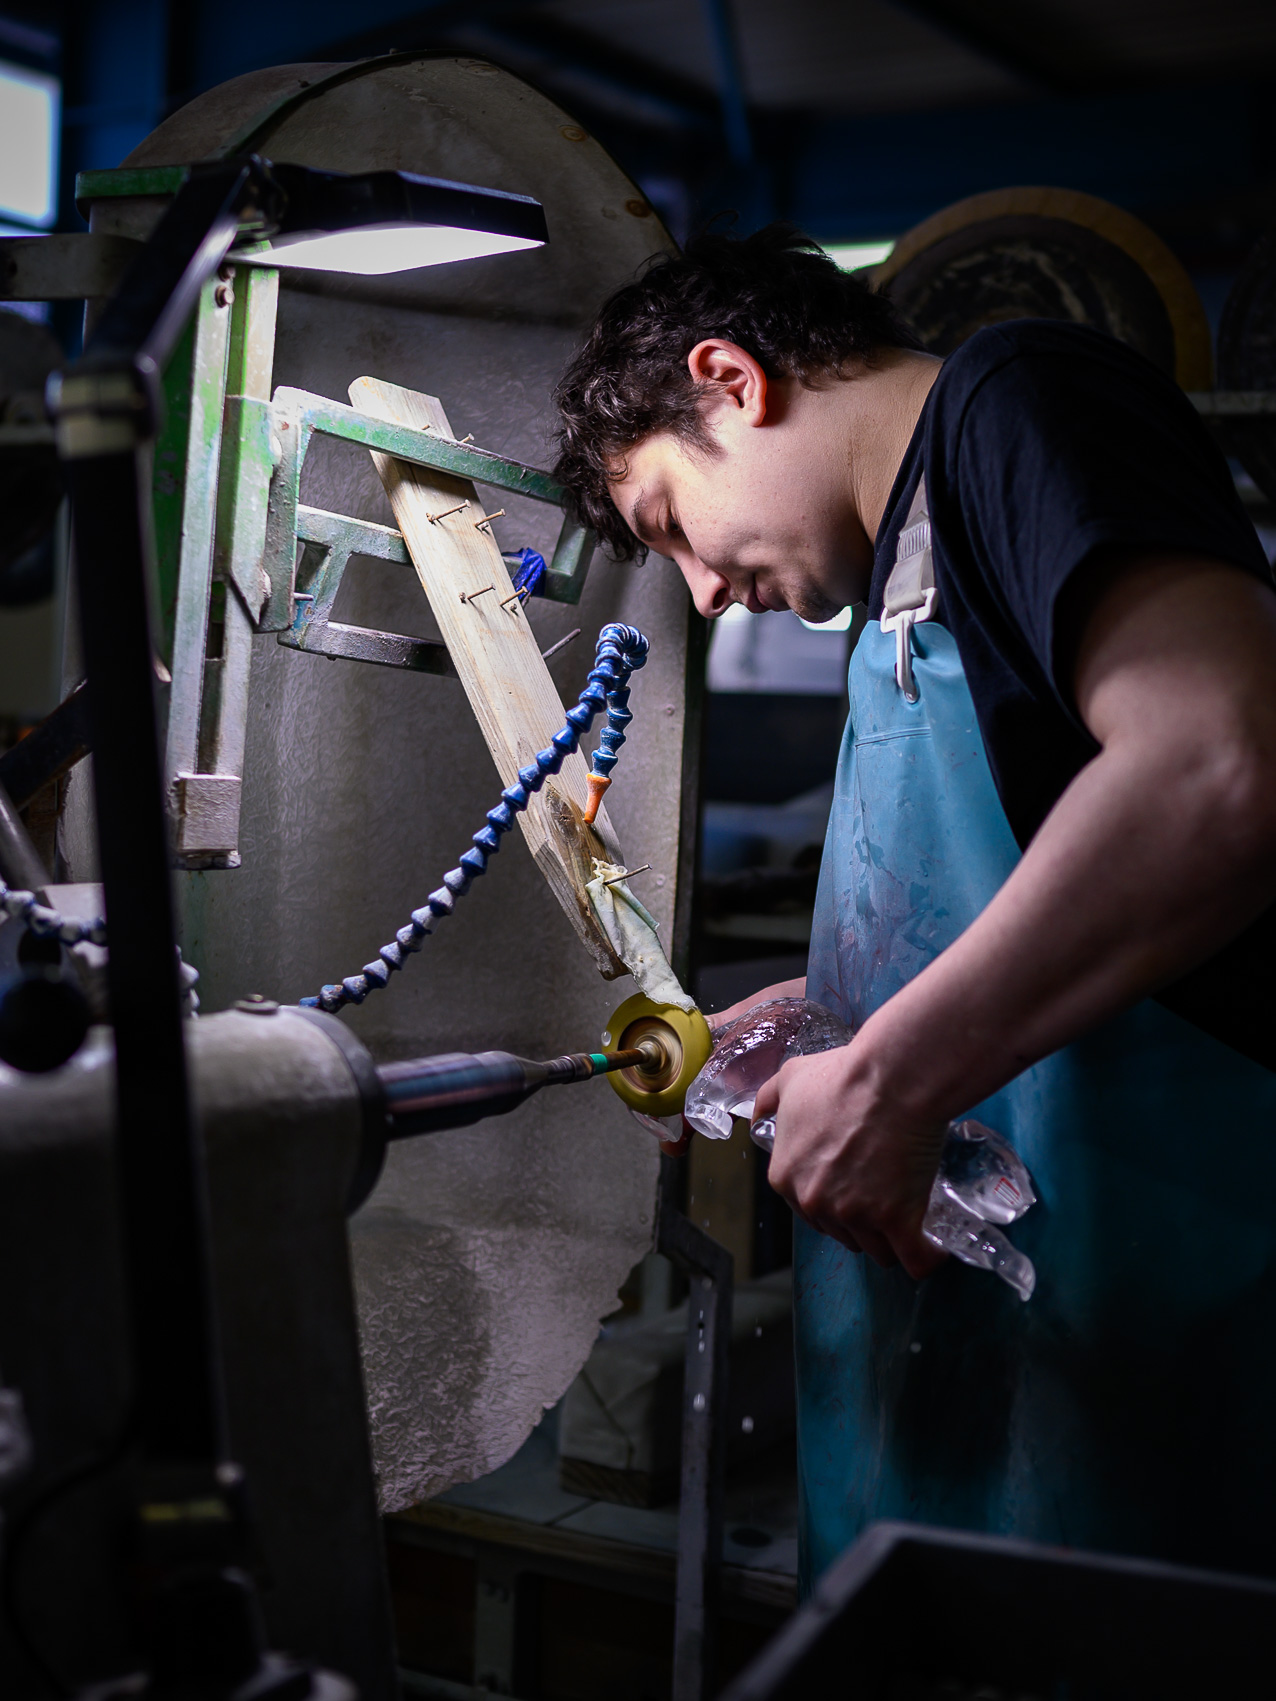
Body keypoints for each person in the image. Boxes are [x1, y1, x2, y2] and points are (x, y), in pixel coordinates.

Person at [553, 223, 1276, 1585]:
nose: (702, 595)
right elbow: (1042, 875)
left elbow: (1219, 762)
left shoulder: (1021, 398)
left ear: (730, 380)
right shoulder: (899, 588)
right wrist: (846, 1006)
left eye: (670, 525)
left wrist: (888, 1074)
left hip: (1165, 1306)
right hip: (1016, 1358)